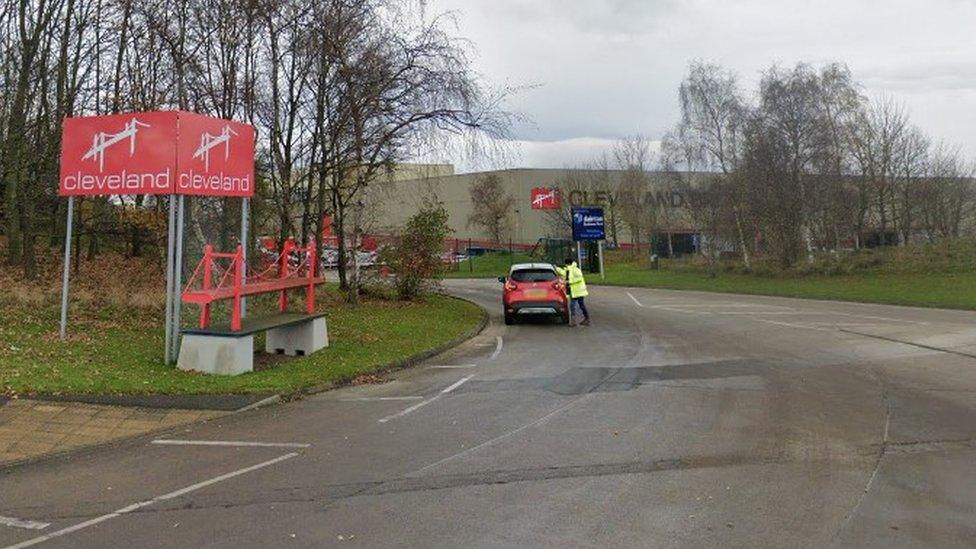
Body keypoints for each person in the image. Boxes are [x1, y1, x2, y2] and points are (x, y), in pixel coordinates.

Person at [555, 257, 590, 326]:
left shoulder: (575, 270)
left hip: (578, 291)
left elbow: (580, 278)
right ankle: (584, 319)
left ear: (566, 264)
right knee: (577, 305)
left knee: (575, 305)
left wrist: (569, 282)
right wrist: (556, 268)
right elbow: (563, 272)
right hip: (573, 291)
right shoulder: (568, 270)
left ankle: (578, 320)